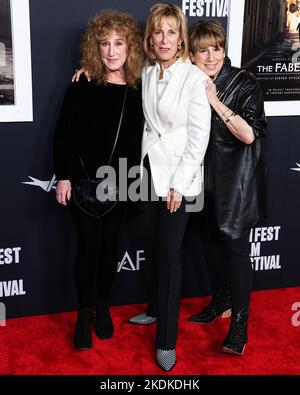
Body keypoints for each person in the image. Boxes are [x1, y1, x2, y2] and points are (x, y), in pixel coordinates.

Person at [53, 10, 144, 350]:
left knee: (109, 251)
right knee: (87, 249)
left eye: (118, 43)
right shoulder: (82, 84)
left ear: (130, 47)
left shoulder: (139, 89)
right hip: (83, 185)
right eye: (104, 43)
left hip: (122, 184)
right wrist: (63, 178)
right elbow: (63, 135)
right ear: (95, 47)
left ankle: (103, 307)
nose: (111, 51)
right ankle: (83, 311)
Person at [128, 3, 211, 371]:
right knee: (152, 244)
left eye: (171, 32)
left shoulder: (194, 78)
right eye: (158, 32)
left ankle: (166, 341)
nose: (164, 39)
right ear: (151, 37)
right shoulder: (147, 72)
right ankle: (153, 308)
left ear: (181, 38)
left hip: (181, 180)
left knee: (169, 257)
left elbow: (199, 138)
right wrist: (87, 70)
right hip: (148, 174)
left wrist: (179, 184)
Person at [187, 20, 267, 355]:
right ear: (191, 54)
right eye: (202, 49)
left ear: (224, 50)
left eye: (216, 48)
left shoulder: (243, 82)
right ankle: (220, 301)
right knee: (208, 243)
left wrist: (214, 100)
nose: (210, 56)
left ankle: (240, 326)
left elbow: (249, 135)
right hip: (201, 180)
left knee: (235, 252)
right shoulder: (188, 80)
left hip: (235, 182)